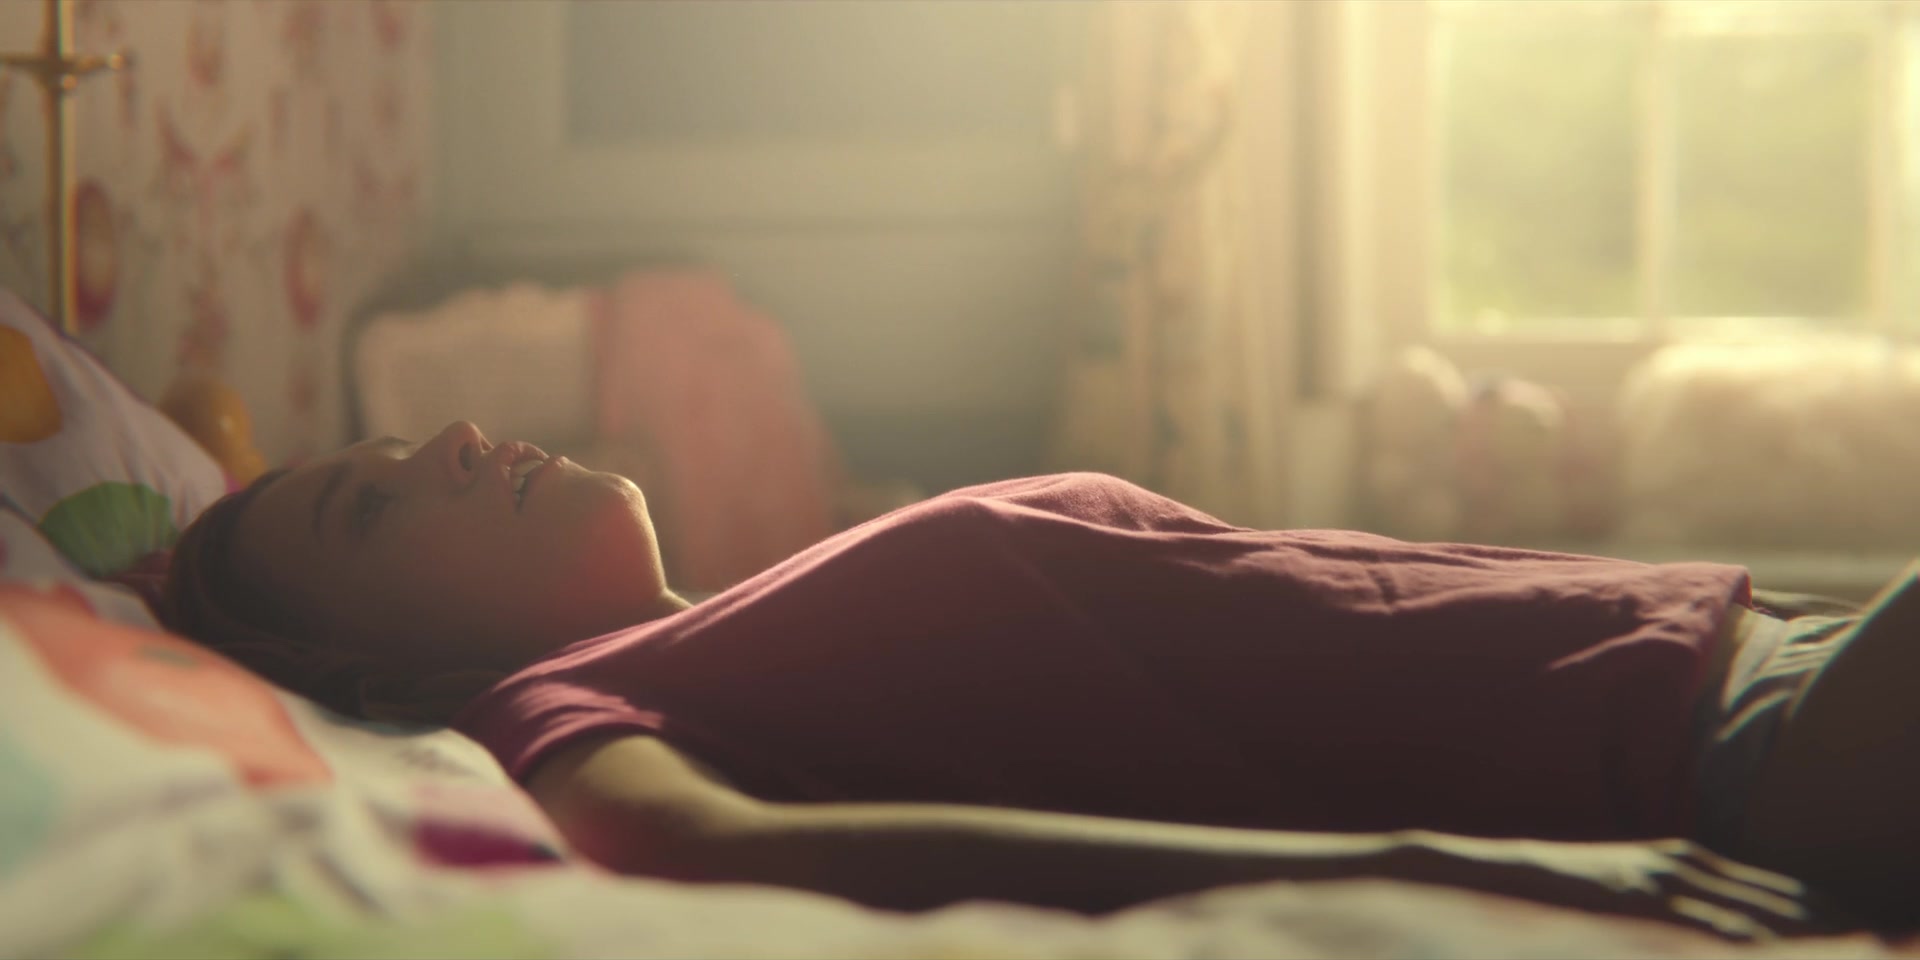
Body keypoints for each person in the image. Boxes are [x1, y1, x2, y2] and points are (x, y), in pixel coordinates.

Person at [161, 421, 1917, 936]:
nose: (458, 444)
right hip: (1695, 755)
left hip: (1753, 645)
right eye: (373, 506)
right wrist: (1432, 869)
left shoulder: (745, 611)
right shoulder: (546, 708)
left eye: (413, 438)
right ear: (359, 667)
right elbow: (699, 853)